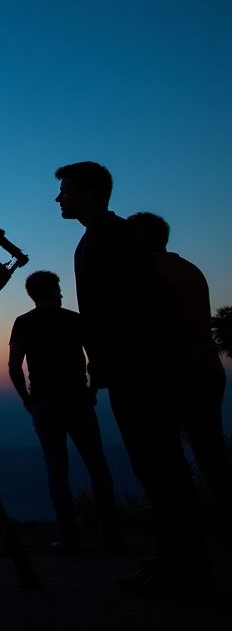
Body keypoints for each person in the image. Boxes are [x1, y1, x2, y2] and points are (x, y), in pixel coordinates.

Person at [55, 161, 207, 595]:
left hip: (140, 372)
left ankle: (185, 568)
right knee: (154, 468)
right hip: (129, 371)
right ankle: (172, 558)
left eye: (66, 190)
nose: (59, 198)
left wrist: (120, 361)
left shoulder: (115, 237)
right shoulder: (101, 237)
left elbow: (137, 309)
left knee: (162, 468)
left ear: (88, 192)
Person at [126, 212, 230, 525]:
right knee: (211, 454)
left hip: (170, 375)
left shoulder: (146, 272)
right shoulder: (189, 269)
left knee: (164, 460)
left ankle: (184, 538)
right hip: (206, 370)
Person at [8, 270, 119, 554]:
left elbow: (14, 366)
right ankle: (110, 537)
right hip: (78, 399)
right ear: (54, 290)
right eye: (58, 288)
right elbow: (95, 358)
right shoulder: (73, 319)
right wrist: (93, 391)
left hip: (44, 403)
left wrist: (26, 400)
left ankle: (69, 539)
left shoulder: (22, 323)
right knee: (97, 466)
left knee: (56, 471)